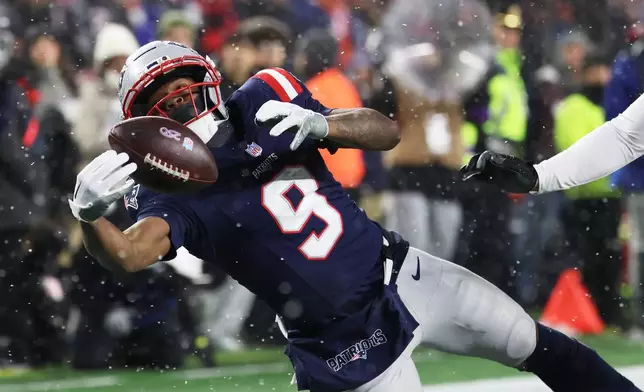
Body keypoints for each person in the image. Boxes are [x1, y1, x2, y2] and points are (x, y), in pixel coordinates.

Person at [68, 41, 638, 392]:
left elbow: (384, 131)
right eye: (164, 101)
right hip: (339, 339)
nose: (183, 104)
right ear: (145, 122)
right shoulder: (166, 185)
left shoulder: (265, 94)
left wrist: (325, 125)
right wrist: (89, 213)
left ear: (209, 78)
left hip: (400, 271)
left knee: (544, 347)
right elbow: (129, 253)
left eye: (186, 89)